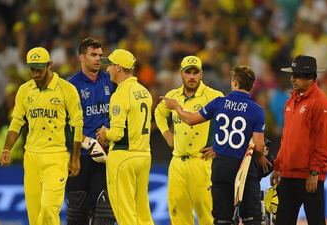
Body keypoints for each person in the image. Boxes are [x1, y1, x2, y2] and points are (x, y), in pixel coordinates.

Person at [161, 65, 271, 225]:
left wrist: (176, 107)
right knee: (251, 218)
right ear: (251, 85)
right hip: (243, 168)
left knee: (222, 219)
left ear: (234, 82)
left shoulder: (219, 103)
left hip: (220, 167)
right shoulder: (257, 110)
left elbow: (190, 119)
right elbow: (259, 146)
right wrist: (260, 158)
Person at [0, 47, 83, 225]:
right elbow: (17, 121)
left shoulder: (66, 89)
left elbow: (77, 124)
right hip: (31, 157)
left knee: (48, 208)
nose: (35, 73)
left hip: (56, 157)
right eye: (32, 69)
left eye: (39, 68)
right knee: (35, 216)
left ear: (49, 65)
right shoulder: (24, 90)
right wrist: (7, 148)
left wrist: (75, 158)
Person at [154, 55, 223, 225]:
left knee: (206, 213)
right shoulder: (173, 95)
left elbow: (227, 122)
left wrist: (218, 146)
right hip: (177, 162)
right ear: (181, 74)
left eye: (195, 72)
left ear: (201, 74)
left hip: (201, 161)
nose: (192, 76)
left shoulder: (213, 96)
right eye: (188, 72)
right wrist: (166, 134)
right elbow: (159, 113)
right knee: (177, 212)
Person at [270, 55, 327, 225]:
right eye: (292, 75)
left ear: (311, 77)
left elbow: (324, 141)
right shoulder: (291, 99)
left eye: (296, 75)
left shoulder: (320, 102)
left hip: (309, 177)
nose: (292, 79)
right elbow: (287, 137)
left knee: (315, 221)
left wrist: (314, 172)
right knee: (283, 221)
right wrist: (278, 166)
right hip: (288, 175)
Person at [96, 49, 154, 225]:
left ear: (119, 68)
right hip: (144, 155)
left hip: (123, 157)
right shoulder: (145, 92)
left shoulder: (120, 95)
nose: (107, 70)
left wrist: (105, 133)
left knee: (125, 213)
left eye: (110, 65)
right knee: (142, 211)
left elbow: (118, 133)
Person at [66, 38, 116, 225]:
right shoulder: (71, 86)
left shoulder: (109, 81)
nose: (98, 59)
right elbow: (65, 127)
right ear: (81, 57)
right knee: (77, 211)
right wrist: (89, 142)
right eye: (93, 55)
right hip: (81, 156)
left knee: (104, 212)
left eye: (100, 56)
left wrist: (109, 134)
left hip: (105, 155)